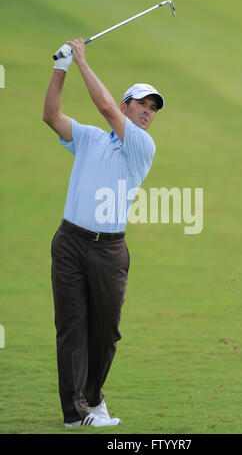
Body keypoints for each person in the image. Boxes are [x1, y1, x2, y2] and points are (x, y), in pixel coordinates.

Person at [42, 39, 164, 427]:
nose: (147, 113)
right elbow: (51, 116)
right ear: (129, 105)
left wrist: (80, 59)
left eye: (152, 109)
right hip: (69, 243)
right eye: (141, 105)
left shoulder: (142, 146)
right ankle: (75, 413)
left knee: (106, 332)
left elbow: (106, 107)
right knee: (71, 328)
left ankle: (93, 399)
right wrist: (60, 68)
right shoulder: (92, 138)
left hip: (109, 251)